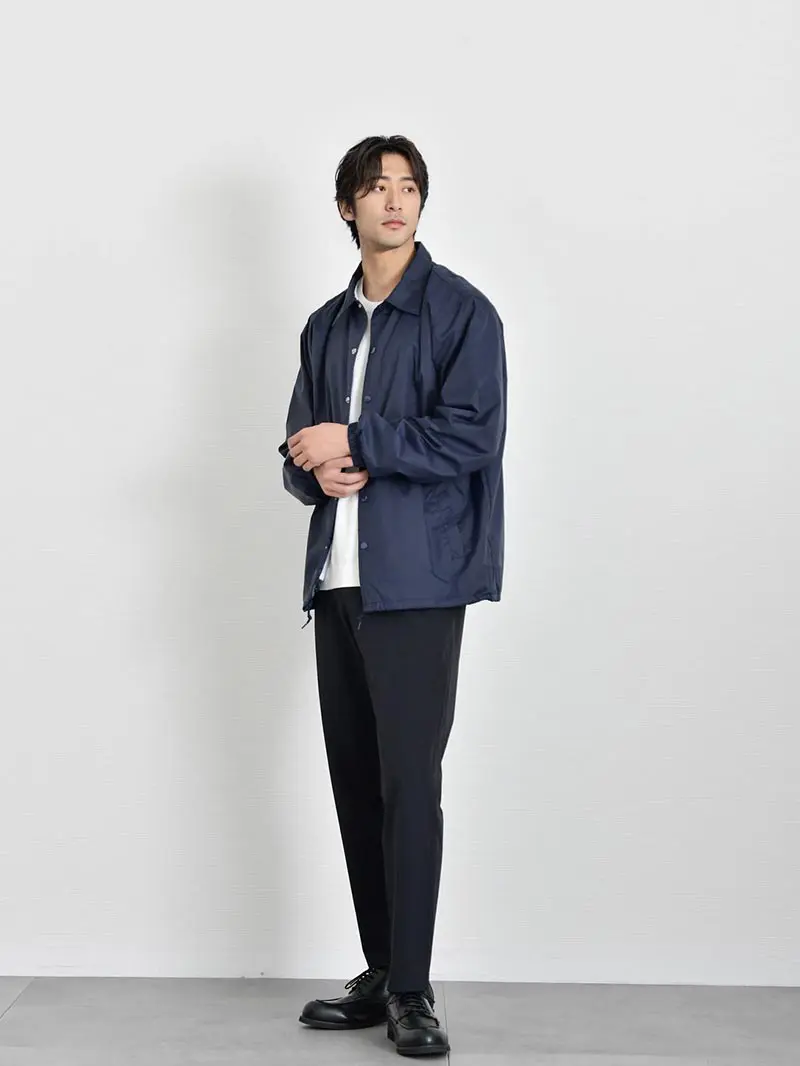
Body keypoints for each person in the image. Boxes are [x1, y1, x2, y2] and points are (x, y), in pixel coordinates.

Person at [278, 134, 507, 1057]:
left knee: (411, 786)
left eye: (408, 187)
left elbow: (473, 436)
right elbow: (300, 445)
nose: (395, 201)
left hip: (416, 584)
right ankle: (381, 969)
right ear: (348, 207)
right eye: (376, 188)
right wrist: (313, 469)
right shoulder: (326, 325)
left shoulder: (461, 313)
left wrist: (359, 440)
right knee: (356, 786)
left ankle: (413, 989)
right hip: (337, 580)